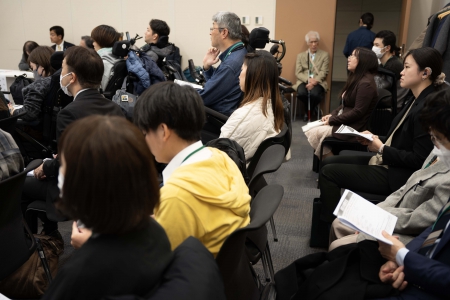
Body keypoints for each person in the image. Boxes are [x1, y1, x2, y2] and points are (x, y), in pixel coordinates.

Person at [42, 115, 172, 300]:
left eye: (64, 168)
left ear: (83, 185)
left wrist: (92, 251)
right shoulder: (157, 232)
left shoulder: (79, 274)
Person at [319, 47, 445, 225]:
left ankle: (331, 228)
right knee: (328, 162)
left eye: (407, 67)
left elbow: (419, 161)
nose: (401, 72)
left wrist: (381, 148)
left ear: (425, 73)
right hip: (391, 161)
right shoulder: (416, 99)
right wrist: (376, 137)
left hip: (399, 175)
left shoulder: (427, 107)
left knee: (328, 173)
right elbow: (401, 138)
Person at [134, 81, 251, 257]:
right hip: (220, 271)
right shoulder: (220, 157)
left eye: (145, 133)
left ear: (163, 131)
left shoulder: (176, 196)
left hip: (188, 276)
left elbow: (154, 262)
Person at [20, 46, 124, 237]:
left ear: (72, 78)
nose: (61, 75)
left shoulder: (69, 113)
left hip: (78, 190)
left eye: (63, 69)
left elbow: (68, 165)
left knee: (21, 184)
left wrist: (47, 167)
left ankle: (41, 244)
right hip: (107, 186)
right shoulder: (115, 108)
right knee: (35, 166)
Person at [374, 89, 450, 299]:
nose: (437, 148)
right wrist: (405, 259)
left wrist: (405, 258)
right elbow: (436, 229)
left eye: (440, 140)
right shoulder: (438, 154)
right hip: (420, 263)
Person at [329, 147, 450, 249]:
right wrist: (375, 211)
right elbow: (404, 189)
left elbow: (422, 220)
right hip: (395, 217)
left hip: (414, 235)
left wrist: (376, 218)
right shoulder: (438, 150)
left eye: (436, 135)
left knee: (338, 246)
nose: (432, 138)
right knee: (338, 223)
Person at [305, 47, 378, 159]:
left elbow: (358, 112)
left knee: (314, 133)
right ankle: (328, 166)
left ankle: (329, 166)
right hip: (345, 122)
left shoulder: (365, 84)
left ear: (363, 61)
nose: (349, 58)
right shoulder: (357, 78)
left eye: (353, 56)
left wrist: (332, 120)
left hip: (353, 127)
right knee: (311, 130)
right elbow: (345, 104)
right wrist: (332, 115)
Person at [219, 50, 284, 161]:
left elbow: (218, 154)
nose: (239, 75)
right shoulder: (271, 106)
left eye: (242, 69)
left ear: (252, 75)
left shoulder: (244, 116)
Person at [199, 11, 247, 116]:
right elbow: (218, 86)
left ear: (224, 32)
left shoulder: (231, 64)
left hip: (217, 121)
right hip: (219, 114)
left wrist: (179, 96)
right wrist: (207, 67)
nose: (210, 33)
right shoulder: (238, 53)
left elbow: (203, 98)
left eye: (213, 28)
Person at [11, 46, 56, 123]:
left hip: (38, 130)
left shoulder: (38, 85)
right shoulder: (59, 80)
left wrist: (13, 111)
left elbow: (29, 113)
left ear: (41, 66)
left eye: (32, 67)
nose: (33, 72)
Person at [293, 31, 329, 122]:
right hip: (303, 81)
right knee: (301, 93)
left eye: (315, 41)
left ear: (318, 42)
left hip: (318, 81)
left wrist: (314, 81)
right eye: (311, 42)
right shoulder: (300, 56)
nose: (313, 44)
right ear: (307, 43)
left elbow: (324, 71)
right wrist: (308, 80)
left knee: (314, 94)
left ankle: (308, 112)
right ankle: (313, 109)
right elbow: (298, 72)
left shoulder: (325, 55)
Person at [91, 24, 121, 91]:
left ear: (100, 40)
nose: (93, 44)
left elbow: (100, 91)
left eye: (94, 40)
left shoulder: (103, 63)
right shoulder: (118, 58)